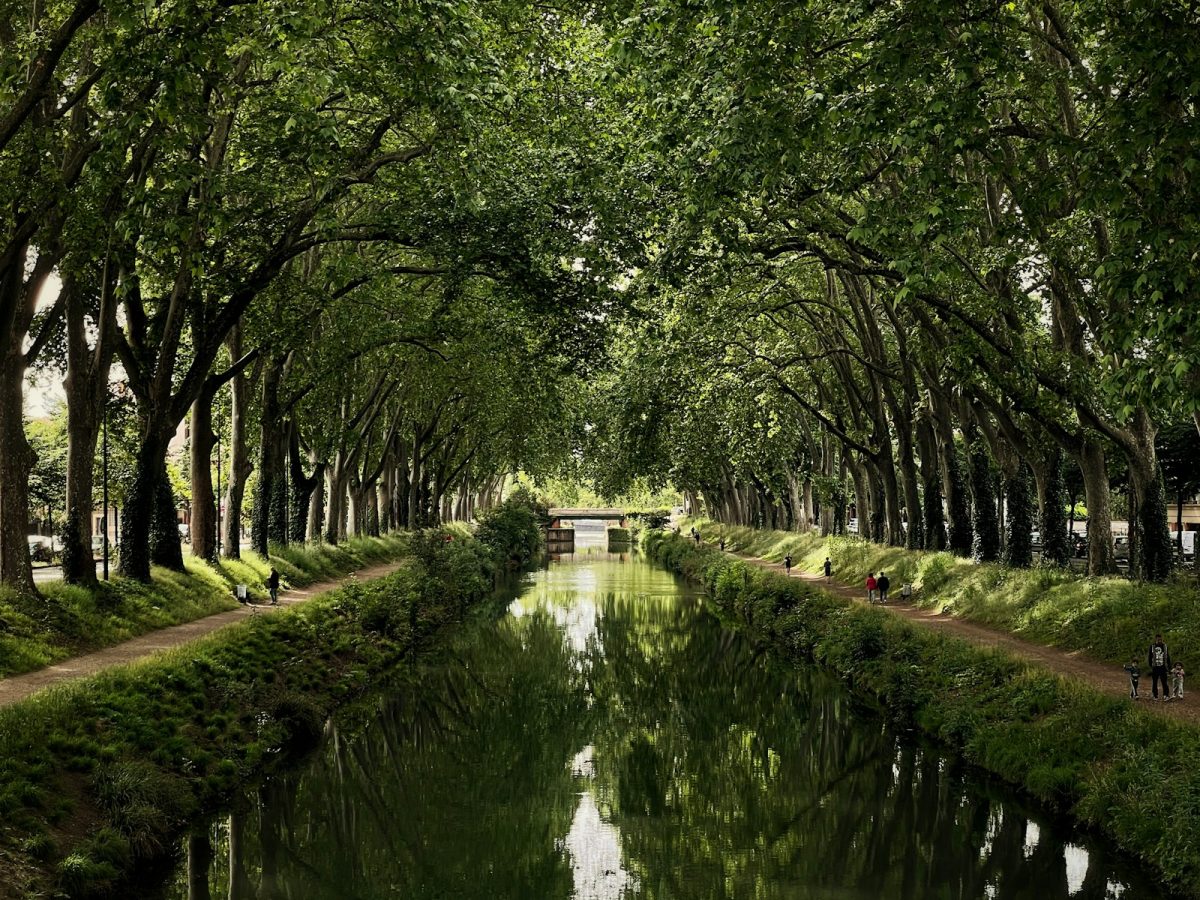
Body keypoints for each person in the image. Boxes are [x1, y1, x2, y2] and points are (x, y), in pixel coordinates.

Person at [1148, 633, 1172, 701]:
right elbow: (1150, 656)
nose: (1159, 640)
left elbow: (1168, 657)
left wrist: (1169, 667)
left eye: (1160, 639)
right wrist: (1151, 665)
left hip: (1163, 666)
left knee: (1164, 682)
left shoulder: (1165, 646)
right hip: (1155, 667)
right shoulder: (1152, 646)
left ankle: (1166, 695)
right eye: (1158, 639)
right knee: (1154, 682)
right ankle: (1155, 695)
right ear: (1156, 639)